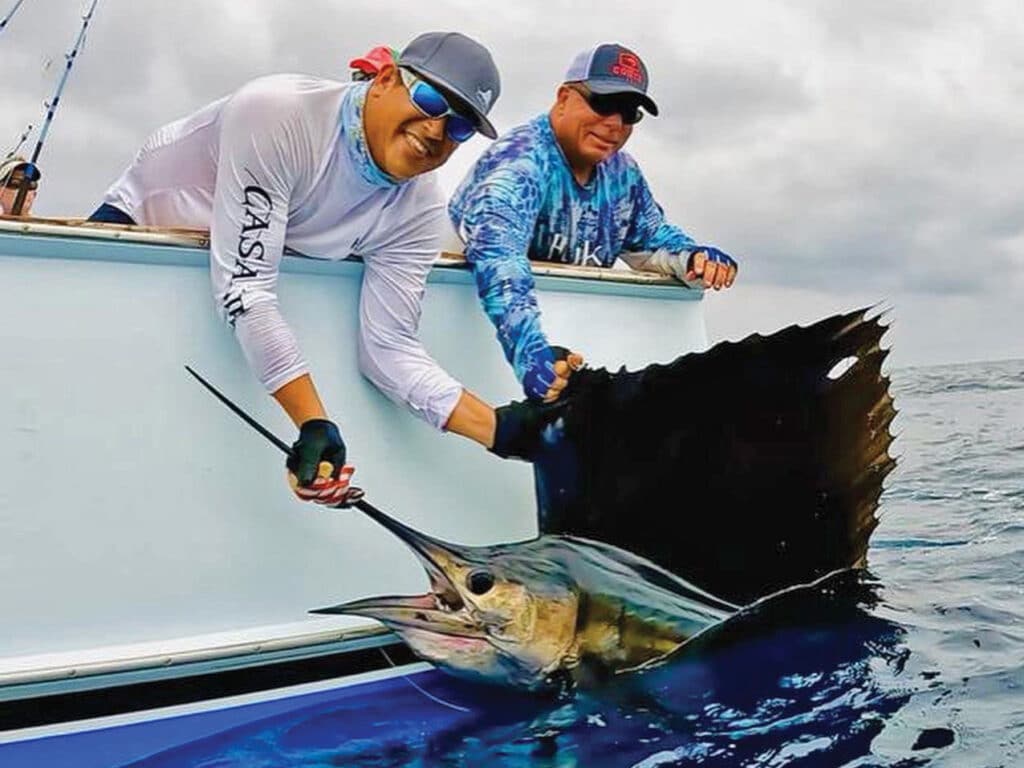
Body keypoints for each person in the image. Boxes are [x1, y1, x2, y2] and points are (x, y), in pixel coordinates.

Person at [88, 32, 505, 506]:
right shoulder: (277, 113)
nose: (436, 130)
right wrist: (313, 422)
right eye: (430, 98)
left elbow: (390, 348)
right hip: (134, 234)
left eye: (460, 127)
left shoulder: (422, 209)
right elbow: (247, 291)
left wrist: (504, 433)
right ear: (386, 79)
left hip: (239, 283)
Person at [448, 43, 739, 404]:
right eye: (602, 103)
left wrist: (693, 256)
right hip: (478, 360)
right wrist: (530, 354)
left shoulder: (623, 174)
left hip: (573, 364)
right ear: (564, 97)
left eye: (629, 112)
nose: (614, 124)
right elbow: (499, 261)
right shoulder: (519, 164)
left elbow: (650, 237)